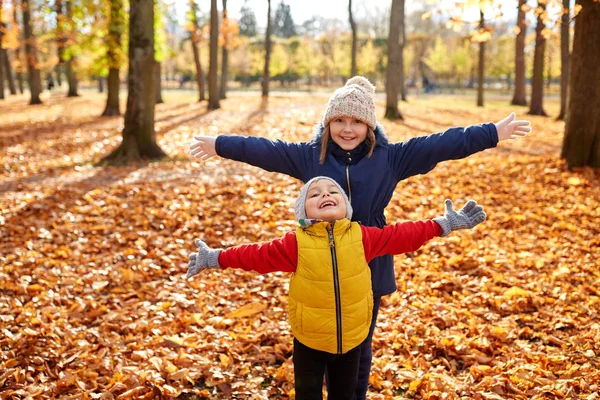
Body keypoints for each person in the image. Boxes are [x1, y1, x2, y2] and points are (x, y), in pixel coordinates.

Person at [188, 76, 530, 398]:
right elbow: (263, 150)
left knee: (358, 346)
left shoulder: (390, 158)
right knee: (320, 343)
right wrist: (218, 144)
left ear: (369, 125)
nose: (347, 129)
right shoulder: (311, 156)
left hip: (372, 252)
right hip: (317, 259)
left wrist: (492, 133)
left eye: (356, 121)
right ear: (328, 124)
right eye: (339, 121)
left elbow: (442, 144)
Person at [187, 176, 487, 399]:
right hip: (309, 339)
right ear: (303, 212)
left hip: (354, 337)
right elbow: (254, 255)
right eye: (315, 194)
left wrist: (442, 224)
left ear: (346, 207)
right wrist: (214, 258)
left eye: (333, 192)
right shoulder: (295, 244)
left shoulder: (363, 236)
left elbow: (402, 235)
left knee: (344, 394)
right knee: (308, 394)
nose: (325, 195)